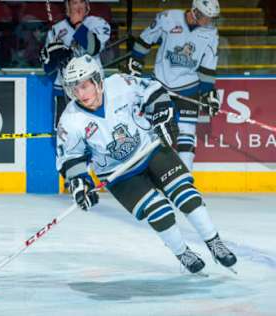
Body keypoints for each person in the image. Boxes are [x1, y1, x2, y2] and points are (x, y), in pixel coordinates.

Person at [57, 54, 236, 274]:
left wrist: (162, 113)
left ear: (98, 80)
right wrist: (79, 185)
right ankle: (182, 252)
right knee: (159, 212)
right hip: (118, 174)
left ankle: (214, 242)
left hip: (150, 149)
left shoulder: (121, 83)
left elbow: (153, 90)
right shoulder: (70, 120)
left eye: (84, 86)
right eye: (75, 88)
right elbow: (71, 157)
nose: (80, 94)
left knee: (186, 195)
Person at [127, 0, 221, 171]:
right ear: (195, 12)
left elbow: (207, 67)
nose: (209, 22)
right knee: (155, 134)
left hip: (189, 88)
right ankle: (149, 176)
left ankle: (186, 181)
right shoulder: (168, 17)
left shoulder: (211, 33)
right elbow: (147, 38)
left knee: (187, 135)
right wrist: (136, 58)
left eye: (211, 18)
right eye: (206, 17)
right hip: (160, 86)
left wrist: (208, 93)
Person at [40, 0, 110, 130]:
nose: (78, 7)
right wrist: (53, 58)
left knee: (96, 129)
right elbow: (47, 68)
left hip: (92, 86)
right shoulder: (56, 30)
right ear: (67, 7)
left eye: (81, 3)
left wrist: (78, 24)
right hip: (64, 88)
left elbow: (93, 48)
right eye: (74, 3)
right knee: (65, 130)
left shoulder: (98, 23)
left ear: (87, 5)